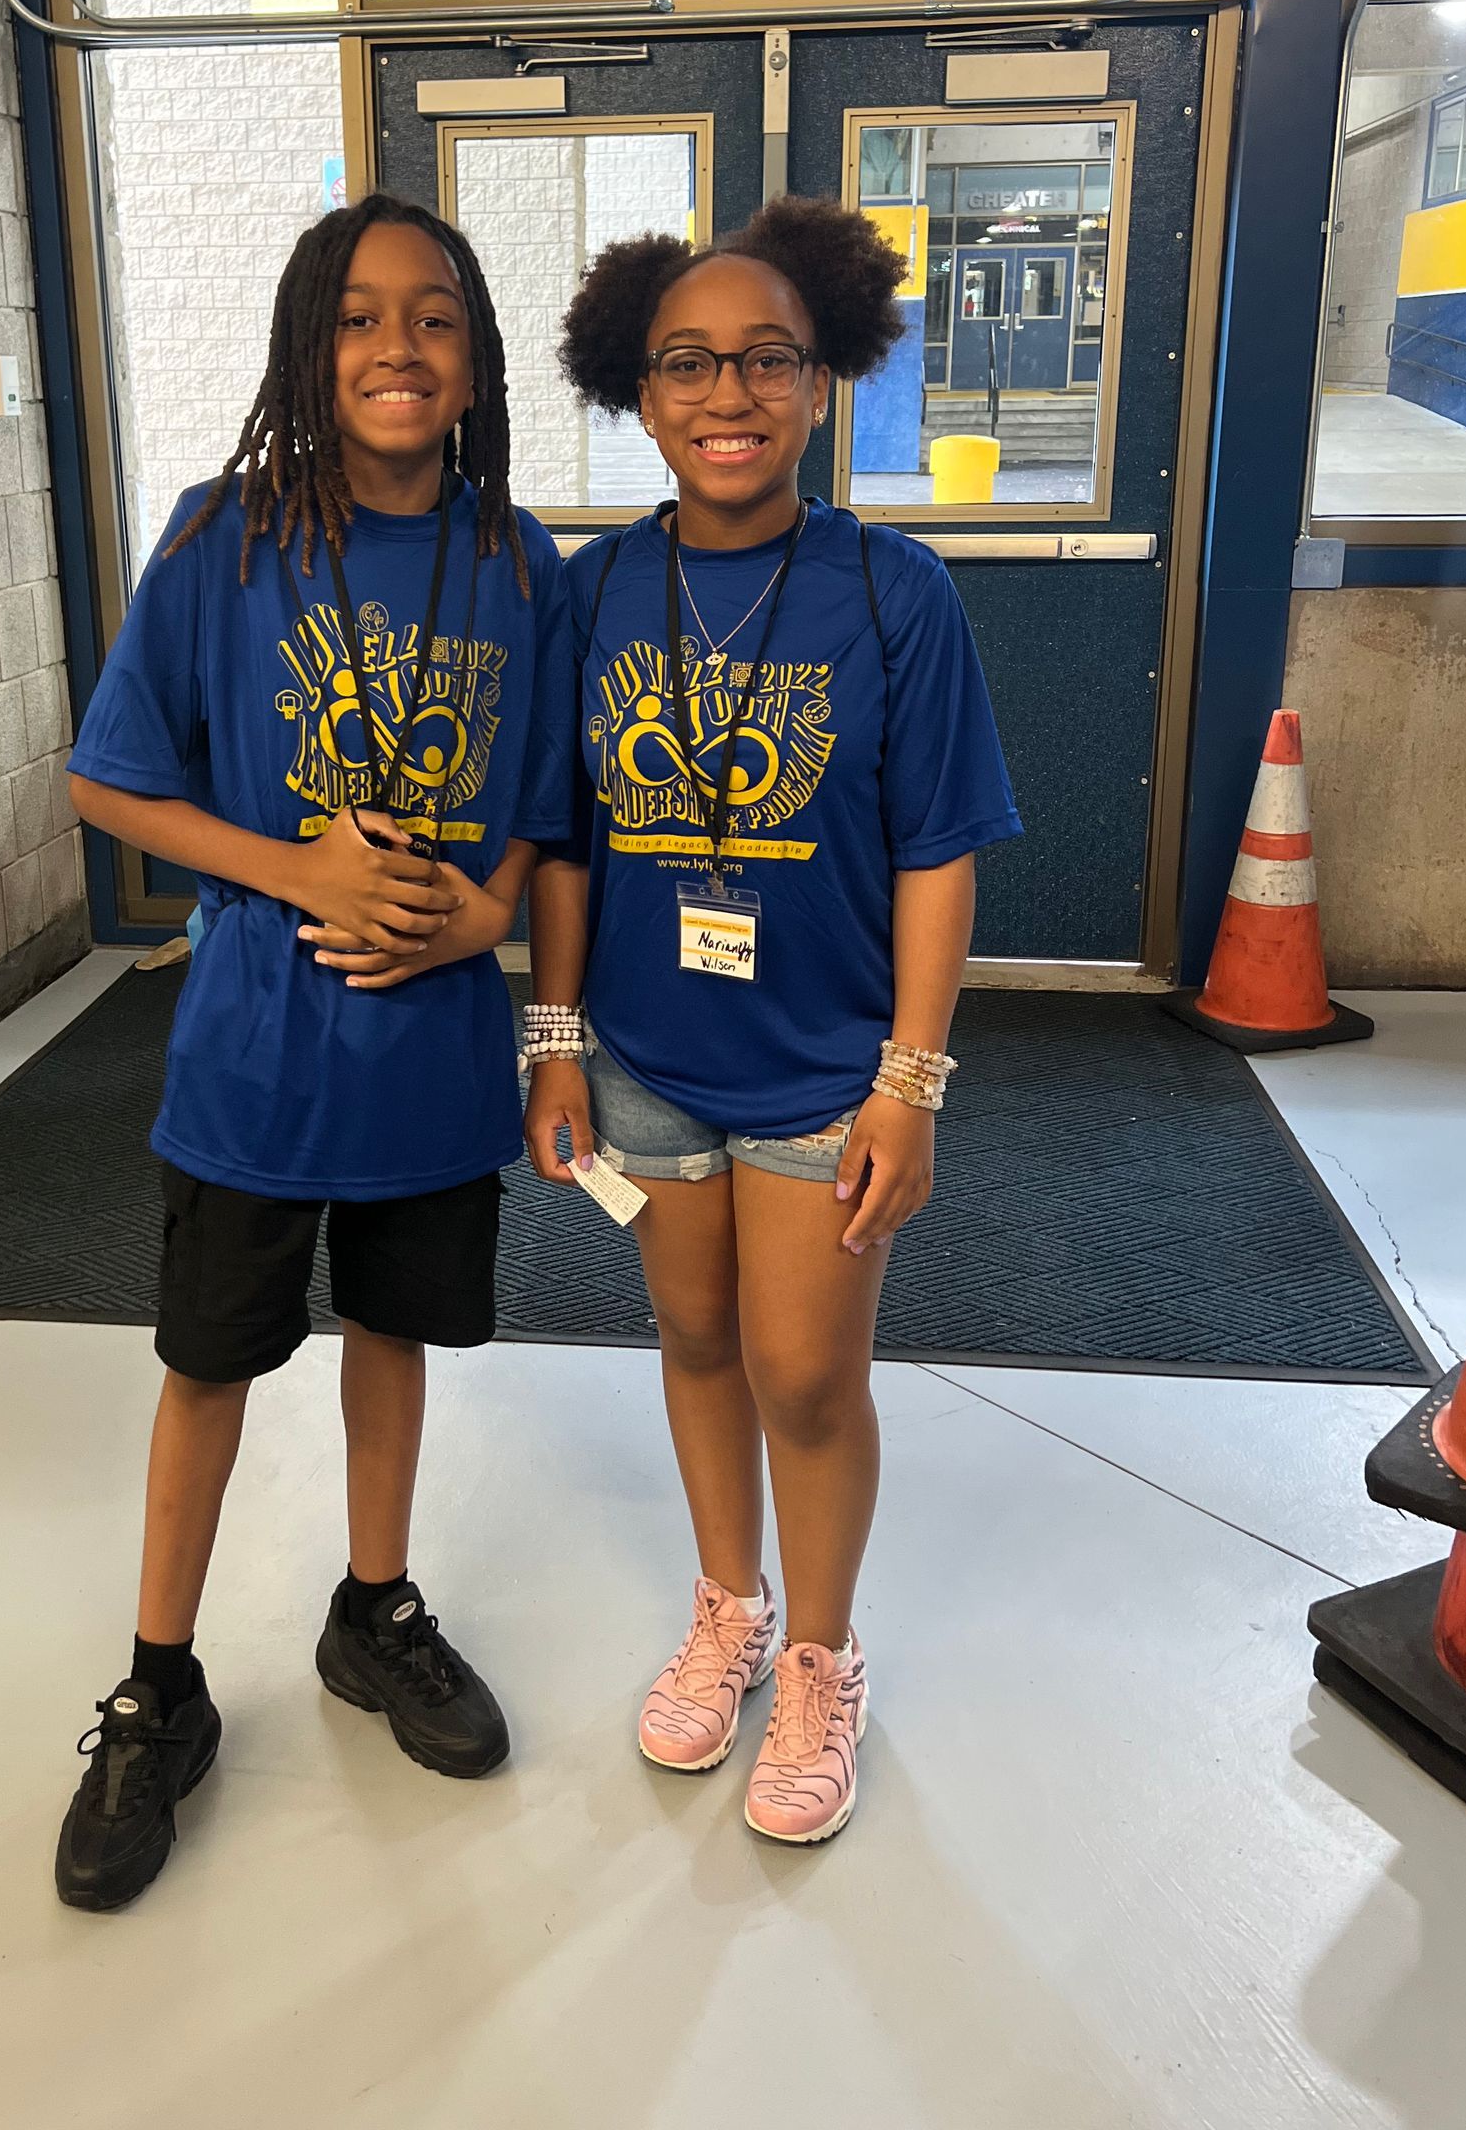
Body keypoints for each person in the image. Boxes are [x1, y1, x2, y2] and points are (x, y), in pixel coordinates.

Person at [57, 195, 572, 1911]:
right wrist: (302, 871)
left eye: (435, 318)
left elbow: (552, 814)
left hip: (428, 1067)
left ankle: (375, 1610)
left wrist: (480, 914)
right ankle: (160, 1683)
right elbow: (109, 781)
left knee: (396, 1336)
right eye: (360, 317)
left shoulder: (518, 566)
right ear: (309, 348)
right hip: (256, 1066)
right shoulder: (222, 541)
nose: (399, 347)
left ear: (477, 359)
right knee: (207, 1366)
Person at [526, 197, 1020, 1847]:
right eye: (687, 365)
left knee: (808, 1372)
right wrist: (557, 1042)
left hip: (830, 1070)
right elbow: (570, 845)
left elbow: (941, 852)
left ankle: (818, 1655)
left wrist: (913, 1085)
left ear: (825, 382)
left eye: (765, 362)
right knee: (698, 1342)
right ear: (637, 392)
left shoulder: (894, 592)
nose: (726, 393)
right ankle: (728, 1610)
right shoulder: (595, 591)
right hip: (653, 1068)